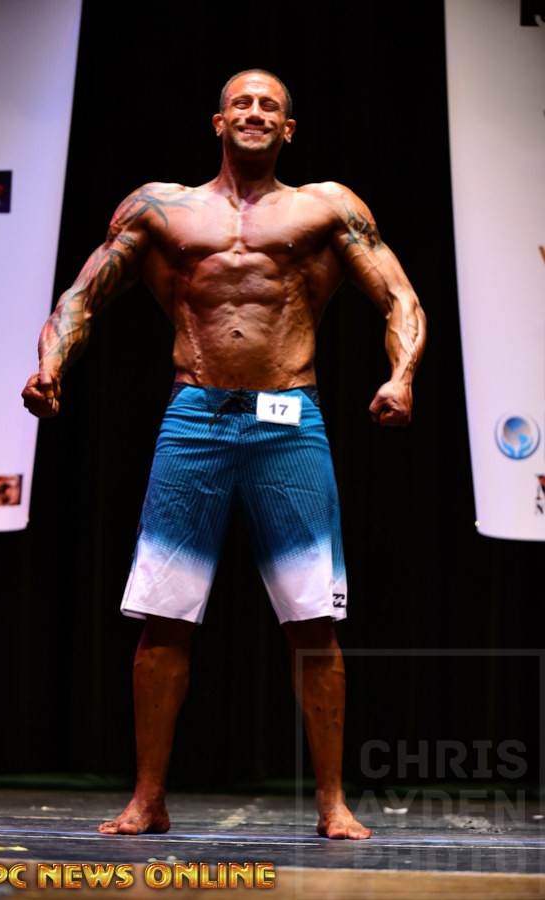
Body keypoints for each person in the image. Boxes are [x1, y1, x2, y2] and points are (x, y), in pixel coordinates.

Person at [22, 69, 426, 840]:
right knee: (164, 616)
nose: (255, 112)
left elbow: (399, 297)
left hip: (289, 419)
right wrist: (51, 367)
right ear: (218, 121)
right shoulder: (160, 207)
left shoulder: (326, 207)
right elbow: (83, 295)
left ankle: (333, 803)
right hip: (195, 417)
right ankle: (147, 798)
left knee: (313, 619)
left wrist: (401, 375)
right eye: (242, 102)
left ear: (289, 129)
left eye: (270, 105)